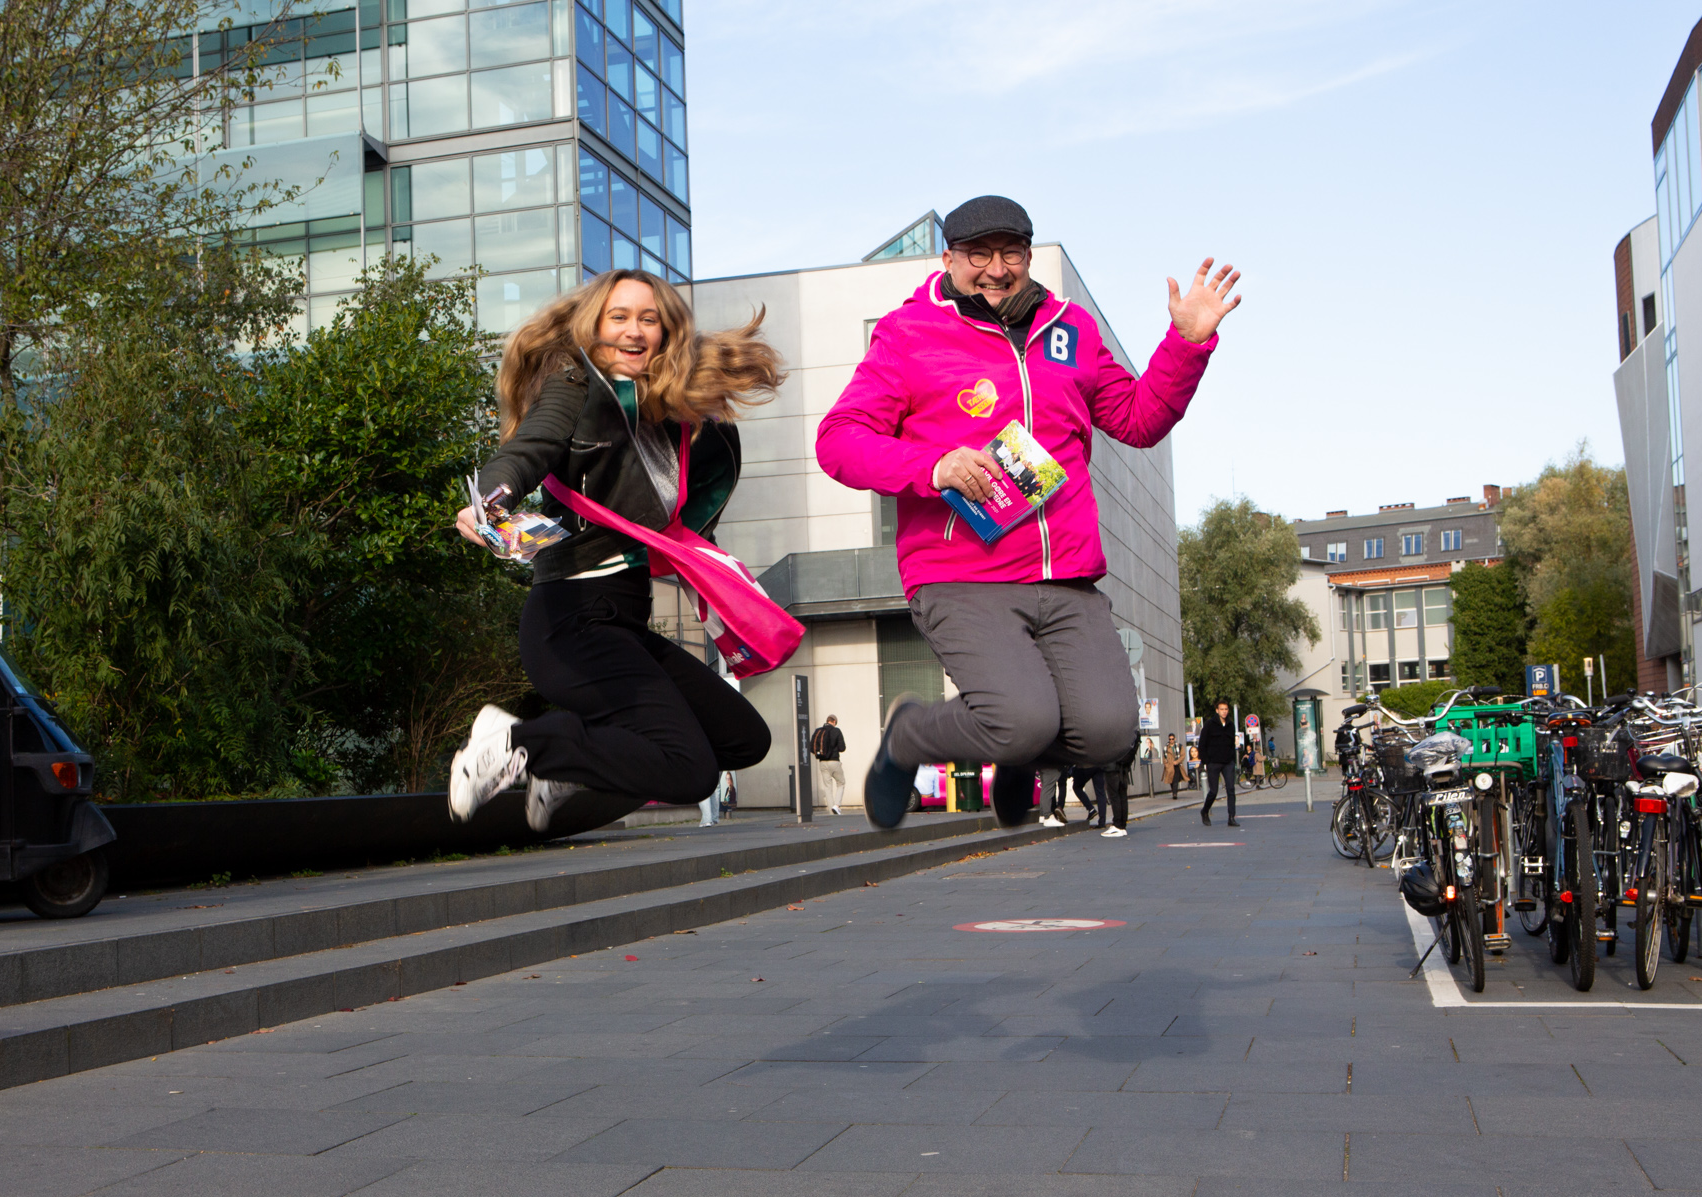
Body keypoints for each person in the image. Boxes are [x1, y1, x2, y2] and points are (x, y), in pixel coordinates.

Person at [814, 194, 1239, 829]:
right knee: (1018, 719)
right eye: (977, 254)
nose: (995, 268)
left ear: (1028, 255)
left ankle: (1017, 751)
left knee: (1106, 734)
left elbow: (1137, 419)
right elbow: (839, 439)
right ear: (949, 259)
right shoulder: (909, 334)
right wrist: (932, 466)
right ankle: (910, 736)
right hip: (962, 573)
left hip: (1066, 572)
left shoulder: (1070, 330)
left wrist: (1185, 344)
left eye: (1010, 252)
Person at [448, 270, 786, 829]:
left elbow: (688, 522)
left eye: (648, 319)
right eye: (619, 318)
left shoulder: (673, 414)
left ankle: (566, 770)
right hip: (571, 624)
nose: (633, 331)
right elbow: (529, 448)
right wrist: (490, 499)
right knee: (690, 770)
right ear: (594, 325)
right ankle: (515, 742)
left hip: (621, 624)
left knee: (743, 738)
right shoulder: (574, 383)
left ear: (665, 333)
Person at [1199, 701, 1240, 827]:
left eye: (1226, 709)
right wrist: (1205, 761)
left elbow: (1232, 744)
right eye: (1222, 709)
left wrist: (1233, 760)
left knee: (1231, 789)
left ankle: (1231, 817)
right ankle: (1205, 811)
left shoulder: (1231, 725)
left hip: (1228, 762)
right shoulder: (1210, 724)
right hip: (1213, 762)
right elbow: (1202, 744)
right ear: (1217, 710)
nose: (1224, 711)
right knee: (1213, 791)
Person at [810, 714, 847, 815]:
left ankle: (831, 811)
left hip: (822, 762)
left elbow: (811, 747)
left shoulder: (818, 731)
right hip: (834, 761)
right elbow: (842, 748)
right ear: (834, 721)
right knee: (841, 783)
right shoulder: (836, 731)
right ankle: (837, 805)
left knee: (827, 786)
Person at [1160, 732, 1186, 799]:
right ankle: (1173, 791)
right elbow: (1163, 757)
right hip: (1169, 766)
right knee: (1170, 780)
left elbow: (1183, 755)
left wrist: (1177, 761)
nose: (1171, 740)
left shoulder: (1179, 746)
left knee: (1175, 780)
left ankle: (1175, 794)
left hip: (1177, 765)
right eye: (1170, 739)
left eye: (1172, 739)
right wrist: (1165, 764)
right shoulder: (1166, 747)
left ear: (1175, 739)